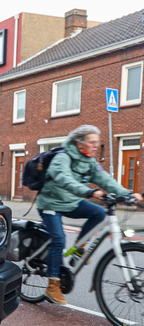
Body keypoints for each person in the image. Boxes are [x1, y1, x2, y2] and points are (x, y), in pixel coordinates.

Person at [38, 125, 143, 304]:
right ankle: (52, 285)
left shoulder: (90, 161)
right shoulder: (62, 157)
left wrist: (128, 194)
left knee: (99, 213)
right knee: (59, 240)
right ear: (80, 144)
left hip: (71, 202)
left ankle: (79, 247)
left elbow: (106, 181)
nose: (96, 146)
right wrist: (89, 192)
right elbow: (64, 178)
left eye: (97, 142)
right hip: (51, 203)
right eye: (92, 142)